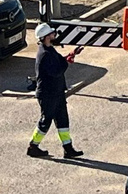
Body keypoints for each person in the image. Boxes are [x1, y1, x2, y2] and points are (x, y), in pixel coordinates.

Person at [27, 23, 84, 159]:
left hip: (56, 92)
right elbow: (56, 71)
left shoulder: (49, 50)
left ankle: (68, 149)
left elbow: (59, 61)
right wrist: (67, 62)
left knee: (62, 120)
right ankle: (33, 147)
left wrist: (71, 54)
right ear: (46, 37)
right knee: (45, 121)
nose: (54, 35)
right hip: (47, 94)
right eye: (52, 33)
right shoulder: (44, 54)